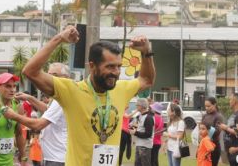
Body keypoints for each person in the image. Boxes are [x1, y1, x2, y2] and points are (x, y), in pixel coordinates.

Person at [22, 25, 156, 165]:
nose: (116, 72)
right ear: (92, 66)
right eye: (110, 66)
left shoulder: (121, 89)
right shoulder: (72, 91)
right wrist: (59, 39)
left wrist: (147, 52)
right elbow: (30, 72)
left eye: (118, 66)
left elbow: (147, 79)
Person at [4, 62, 69, 166]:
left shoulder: (62, 98)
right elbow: (48, 110)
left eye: (55, 75)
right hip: (54, 156)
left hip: (57, 159)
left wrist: (14, 116)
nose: (50, 78)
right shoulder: (58, 96)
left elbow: (38, 125)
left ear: (66, 78)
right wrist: (29, 98)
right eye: (48, 75)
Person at [219, 93, 238, 166]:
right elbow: (234, 129)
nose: (229, 102)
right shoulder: (235, 114)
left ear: (234, 101)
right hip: (231, 150)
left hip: (237, 151)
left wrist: (226, 128)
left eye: (230, 99)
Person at [129, 98, 154, 166]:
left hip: (145, 146)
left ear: (142, 106)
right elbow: (136, 126)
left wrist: (135, 133)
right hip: (139, 144)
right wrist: (132, 128)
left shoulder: (148, 118)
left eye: (137, 105)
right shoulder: (140, 116)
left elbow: (148, 134)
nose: (136, 107)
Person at [202, 97, 224, 166]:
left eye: (208, 106)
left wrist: (206, 132)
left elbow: (217, 130)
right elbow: (201, 128)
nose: (206, 108)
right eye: (205, 106)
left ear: (214, 105)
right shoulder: (205, 115)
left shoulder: (218, 116)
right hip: (204, 145)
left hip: (213, 146)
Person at [150, 102, 164, 166]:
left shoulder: (154, 117)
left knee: (152, 160)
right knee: (155, 159)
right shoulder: (161, 118)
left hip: (153, 141)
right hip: (158, 142)